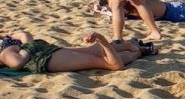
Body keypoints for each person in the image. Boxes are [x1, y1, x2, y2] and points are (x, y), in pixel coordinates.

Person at [1, 31, 145, 73]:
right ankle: (133, 48)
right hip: (41, 51)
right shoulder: (11, 43)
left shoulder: (5, 52)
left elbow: (17, 63)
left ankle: (131, 50)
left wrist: (26, 48)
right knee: (93, 52)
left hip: (43, 57)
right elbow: (25, 35)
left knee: (104, 62)